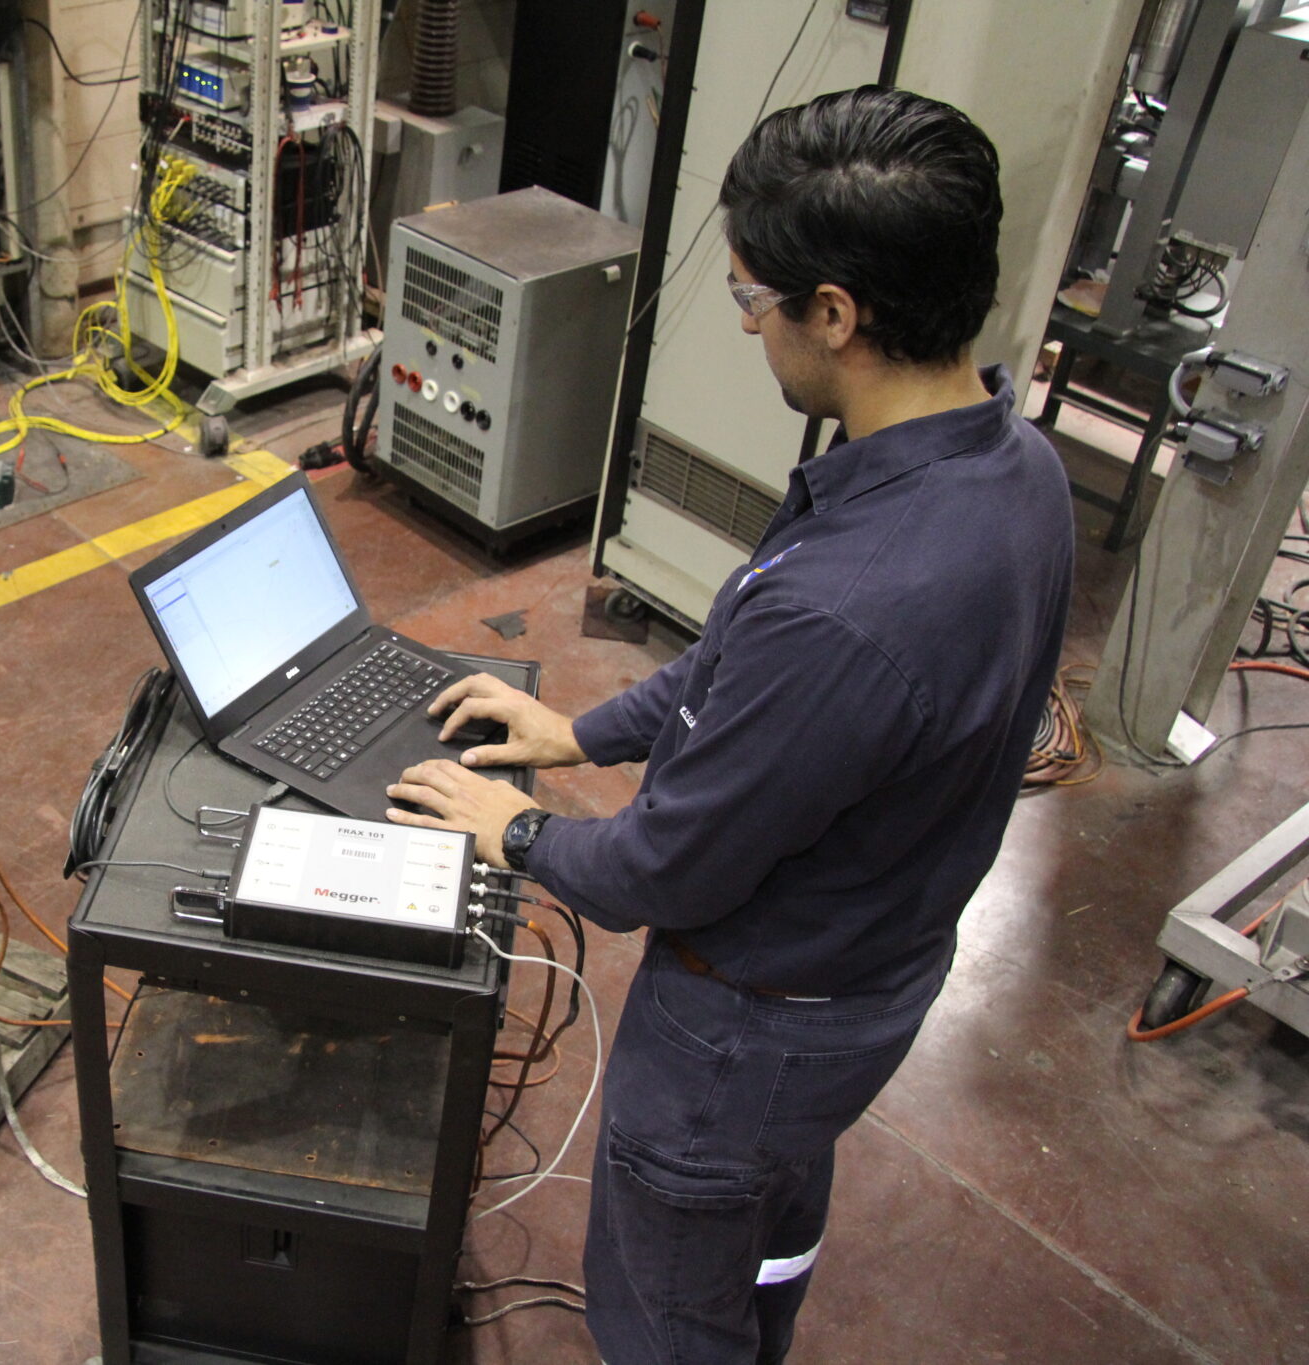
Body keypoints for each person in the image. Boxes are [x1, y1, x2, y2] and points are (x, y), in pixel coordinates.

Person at [384, 86, 1074, 1364]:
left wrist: (516, 829)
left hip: (739, 1037)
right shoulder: (1009, 470)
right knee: (764, 1234)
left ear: (836, 314)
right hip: (865, 980)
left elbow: (658, 871)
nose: (750, 329)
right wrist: (577, 736)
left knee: (661, 1313)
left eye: (756, 301)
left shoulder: (851, 604)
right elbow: (741, 671)